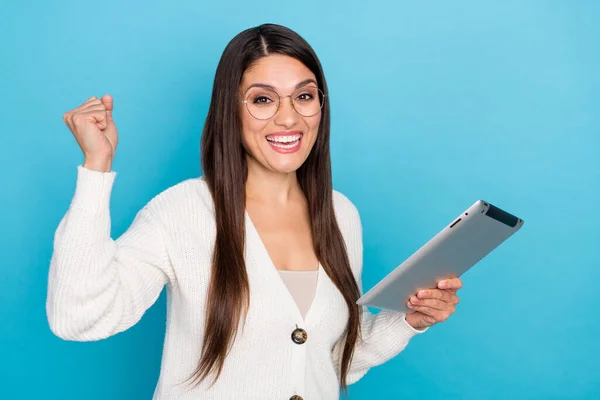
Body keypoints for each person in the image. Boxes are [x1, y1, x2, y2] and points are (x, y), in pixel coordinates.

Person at [47, 23, 462, 400]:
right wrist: (96, 168)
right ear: (231, 109)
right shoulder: (182, 211)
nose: (288, 117)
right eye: (262, 99)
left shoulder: (341, 214)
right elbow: (79, 317)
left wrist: (409, 320)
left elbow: (331, 360)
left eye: (304, 96)